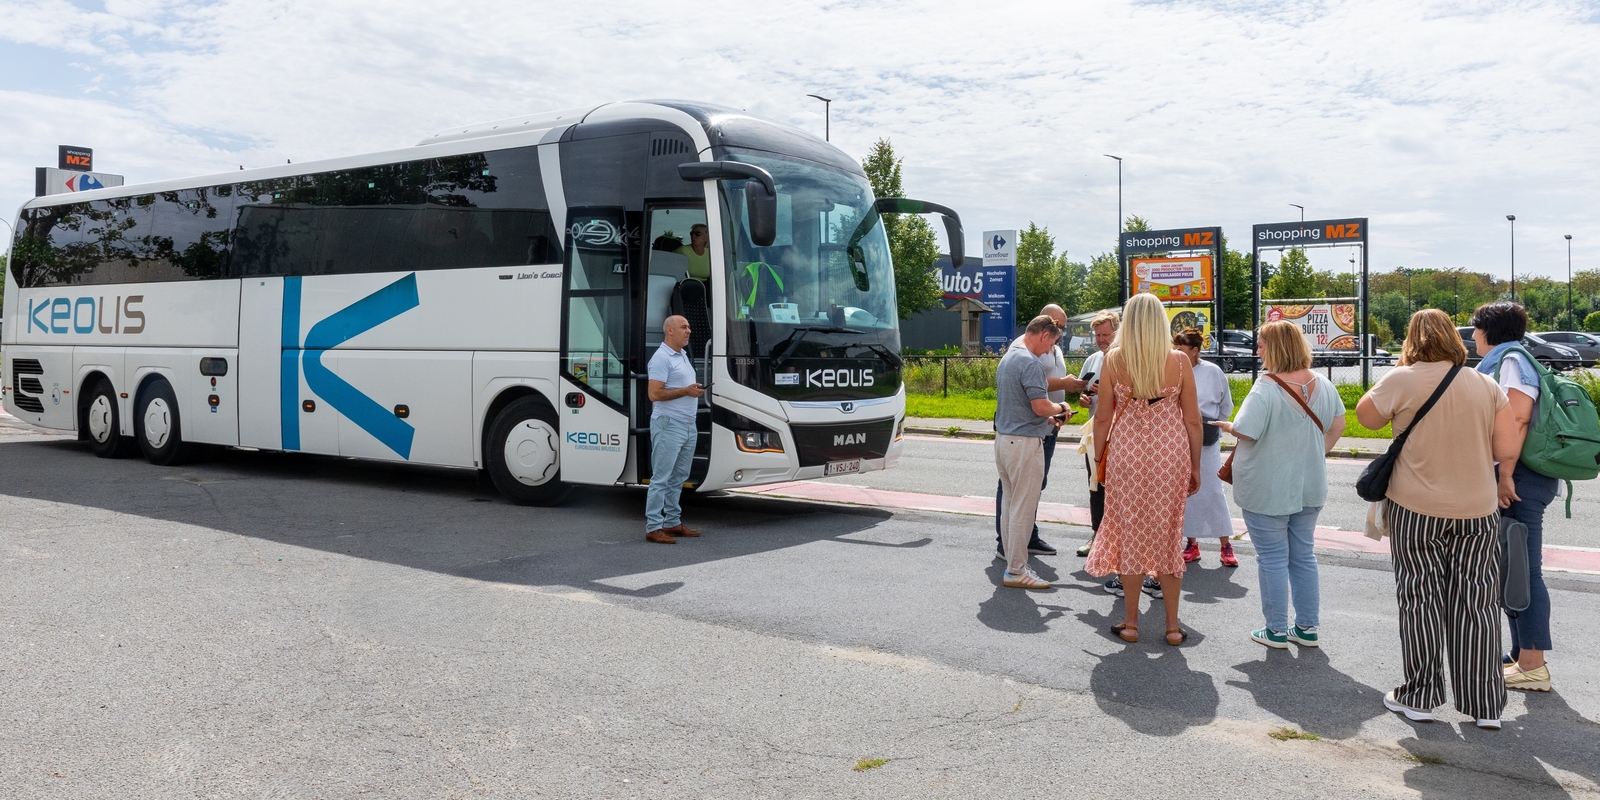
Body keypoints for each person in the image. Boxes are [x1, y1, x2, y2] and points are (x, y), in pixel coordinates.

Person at [1356, 308, 1521, 730]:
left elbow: (1366, 416)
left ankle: (1421, 695)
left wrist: (1400, 371)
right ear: (1455, 337)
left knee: (1420, 598)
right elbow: (1504, 449)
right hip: (1478, 509)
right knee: (1478, 602)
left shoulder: (1402, 379)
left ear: (1411, 340)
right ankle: (1485, 703)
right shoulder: (1486, 384)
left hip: (1416, 508)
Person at [1212, 321, 1345, 649]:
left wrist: (1230, 426)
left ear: (1276, 348)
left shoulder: (1267, 386)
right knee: (1303, 556)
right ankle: (1307, 627)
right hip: (1310, 485)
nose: (1257, 351)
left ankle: (1275, 630)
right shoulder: (1323, 384)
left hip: (1268, 486)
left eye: (1261, 345)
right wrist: (1311, 454)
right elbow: (1337, 426)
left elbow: (1247, 430)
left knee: (1271, 557)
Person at [1086, 293, 1203, 646]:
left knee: (1129, 533)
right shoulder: (1180, 361)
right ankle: (1171, 627)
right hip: (1171, 453)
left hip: (1126, 452)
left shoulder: (1114, 360)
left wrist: (1098, 459)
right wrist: (1195, 465)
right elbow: (1193, 420)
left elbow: (1103, 416)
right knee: (1169, 535)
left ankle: (1132, 623)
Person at [1470, 302, 1560, 692]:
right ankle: (1521, 652)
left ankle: (1533, 665)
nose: (1472, 336)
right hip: (1520, 475)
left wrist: (1505, 474)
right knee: (1512, 567)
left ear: (1489, 330)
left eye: (1474, 329)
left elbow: (1517, 417)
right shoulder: (1513, 358)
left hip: (1520, 478)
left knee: (1525, 570)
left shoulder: (1510, 360)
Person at [994, 304, 1089, 559]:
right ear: (1045, 333)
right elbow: (1038, 404)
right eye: (1056, 333)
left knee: (1014, 498)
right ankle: (1016, 564)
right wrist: (1061, 406)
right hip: (1025, 439)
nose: (1050, 349)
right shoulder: (1029, 360)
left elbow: (1022, 403)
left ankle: (1012, 549)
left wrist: (1050, 418)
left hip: (1013, 434)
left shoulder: (1013, 356)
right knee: (1021, 502)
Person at [1173, 328, 1240, 568]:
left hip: (1207, 439)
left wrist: (1212, 425)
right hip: (1179, 439)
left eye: (1180, 350)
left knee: (1212, 491)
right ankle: (1192, 543)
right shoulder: (1172, 370)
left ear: (1194, 351)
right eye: (1174, 349)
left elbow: (1226, 405)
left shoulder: (1212, 371)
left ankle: (1225, 545)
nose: (1175, 353)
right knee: (1186, 492)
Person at [644, 315, 706, 544]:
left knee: (678, 477)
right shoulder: (661, 358)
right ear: (669, 330)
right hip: (669, 424)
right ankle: (653, 527)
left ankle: (672, 522)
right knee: (661, 478)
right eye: (684, 327)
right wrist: (686, 391)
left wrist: (692, 390)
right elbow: (655, 394)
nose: (689, 330)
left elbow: (679, 387)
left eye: (689, 326)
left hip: (688, 425)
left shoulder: (682, 355)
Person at [1075, 310, 1120, 559]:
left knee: (1118, 489)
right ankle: (1097, 535)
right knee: (1095, 486)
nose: (1101, 339)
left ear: (1117, 332)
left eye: (1106, 334)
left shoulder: (1126, 358)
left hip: (1121, 432)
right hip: (1095, 431)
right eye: (1097, 335)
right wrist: (1083, 398)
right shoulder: (1093, 359)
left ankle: (1118, 541)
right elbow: (1084, 392)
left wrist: (1108, 391)